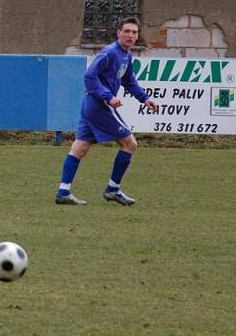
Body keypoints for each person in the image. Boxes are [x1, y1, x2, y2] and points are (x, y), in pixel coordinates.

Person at [55, 16, 158, 206]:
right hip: (99, 105)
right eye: (126, 31)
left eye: (134, 32)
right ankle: (113, 189)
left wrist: (145, 98)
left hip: (92, 107)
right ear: (118, 32)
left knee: (79, 148)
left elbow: (128, 81)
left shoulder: (126, 55)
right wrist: (108, 96)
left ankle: (63, 191)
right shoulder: (110, 52)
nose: (130, 35)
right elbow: (89, 76)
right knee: (130, 144)